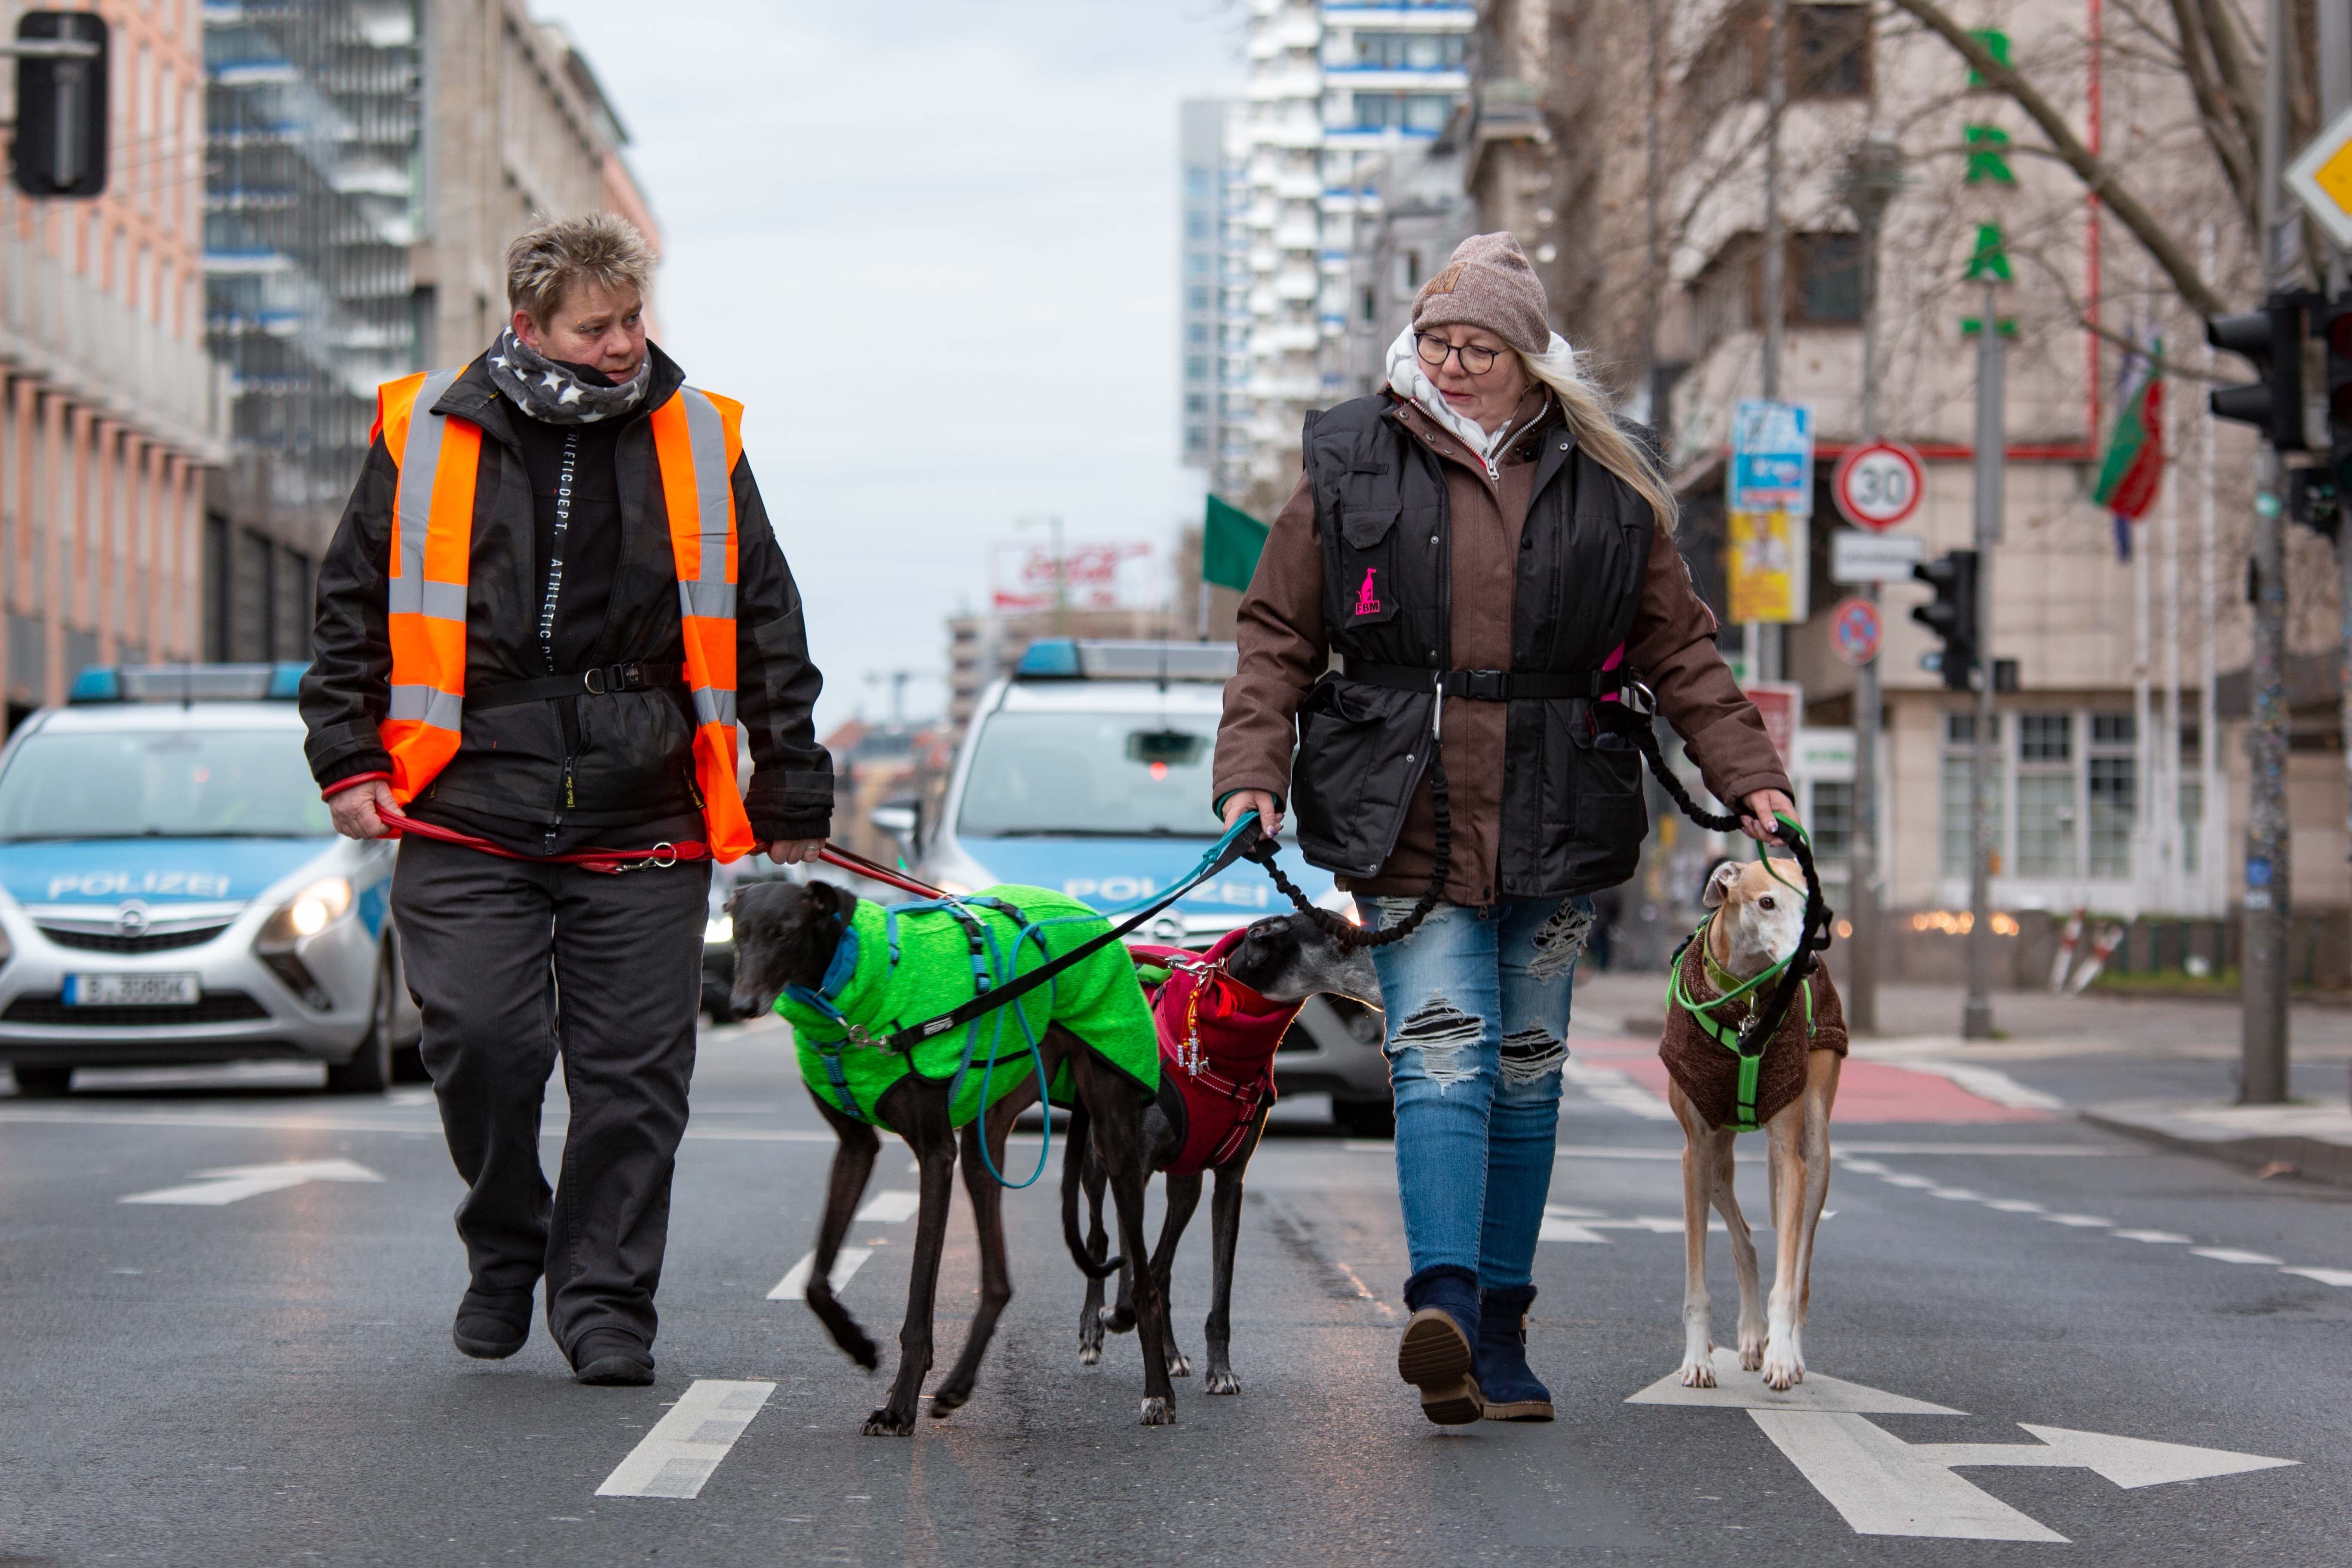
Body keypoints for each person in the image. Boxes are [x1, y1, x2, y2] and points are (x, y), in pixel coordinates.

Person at [1213, 233, 1795, 1426]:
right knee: (1439, 1050)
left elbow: (1680, 647)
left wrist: (1750, 776)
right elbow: (1277, 633)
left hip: (1558, 805)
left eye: (1479, 348)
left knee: (1526, 1075)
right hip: (1400, 803)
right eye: (1437, 343)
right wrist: (1250, 773)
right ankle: (1444, 1307)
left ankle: (1503, 1331)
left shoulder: (1608, 475)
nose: (1453, 366)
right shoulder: (1350, 456)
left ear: (1533, 361)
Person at [300, 214, 834, 1387]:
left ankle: (604, 1302)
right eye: (597, 328)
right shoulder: (424, 428)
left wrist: (792, 780)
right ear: (528, 326)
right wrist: (346, 756)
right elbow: (350, 605)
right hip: (466, 796)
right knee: (482, 1043)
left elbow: (766, 617)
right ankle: (509, 1241)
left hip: (643, 802)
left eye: (634, 319)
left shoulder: (700, 433)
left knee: (636, 1079)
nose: (624, 345)